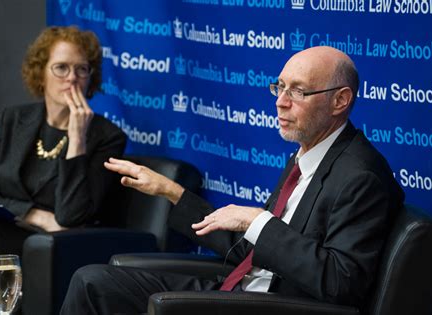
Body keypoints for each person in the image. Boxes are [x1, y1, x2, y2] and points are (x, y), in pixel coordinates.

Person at [60, 46, 405, 314]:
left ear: (340, 100)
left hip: (270, 307)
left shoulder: (361, 176)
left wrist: (258, 220)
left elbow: (341, 282)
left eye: (298, 92)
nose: (280, 103)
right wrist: (172, 192)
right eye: (280, 87)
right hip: (239, 288)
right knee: (93, 281)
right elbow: (253, 248)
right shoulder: (309, 153)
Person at [0, 26, 126, 282]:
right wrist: (36, 215)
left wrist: (77, 139)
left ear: (91, 77)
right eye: (62, 68)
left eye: (82, 69)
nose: (72, 78)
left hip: (55, 246)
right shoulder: (14, 119)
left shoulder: (106, 136)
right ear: (41, 73)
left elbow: (70, 218)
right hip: (5, 228)